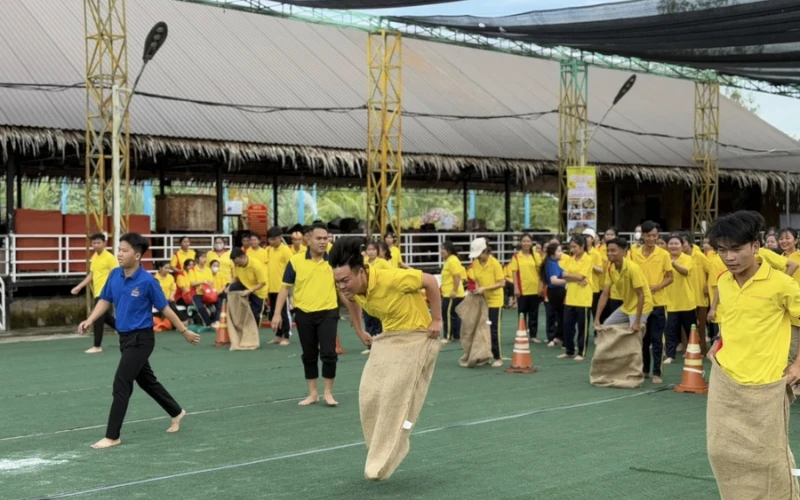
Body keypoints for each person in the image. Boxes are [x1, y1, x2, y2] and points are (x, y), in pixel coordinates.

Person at [705, 211, 800, 495]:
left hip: (767, 383)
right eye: (722, 250)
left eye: (736, 249)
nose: (729, 257)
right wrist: (718, 342)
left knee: (769, 458)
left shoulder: (782, 284)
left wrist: (797, 365)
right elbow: (731, 319)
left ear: (756, 247)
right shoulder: (724, 282)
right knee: (719, 451)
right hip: (726, 380)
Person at [78, 232, 200, 450]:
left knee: (121, 382)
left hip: (142, 339)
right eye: (119, 250)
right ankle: (176, 411)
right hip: (125, 338)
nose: (119, 254)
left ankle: (112, 435)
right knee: (146, 380)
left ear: (137, 255)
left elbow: (165, 309)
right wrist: (89, 319)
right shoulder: (115, 274)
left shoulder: (147, 282)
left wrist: (184, 331)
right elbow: (105, 300)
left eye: (124, 251)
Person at [271, 223, 339, 405]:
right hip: (304, 313)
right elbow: (285, 288)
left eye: (326, 238)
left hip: (328, 312)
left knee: (329, 353)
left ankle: (328, 393)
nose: (323, 242)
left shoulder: (333, 260)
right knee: (309, 354)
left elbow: (343, 287)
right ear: (308, 240)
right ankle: (313, 393)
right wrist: (277, 314)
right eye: (319, 238)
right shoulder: (295, 261)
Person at [331, 235, 442, 345]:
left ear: (360, 273)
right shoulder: (352, 289)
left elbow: (430, 280)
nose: (341, 286)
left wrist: (436, 319)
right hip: (391, 336)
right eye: (337, 281)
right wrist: (360, 332)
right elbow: (352, 301)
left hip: (419, 335)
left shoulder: (392, 278)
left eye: (345, 280)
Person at [630, 221, 673, 384]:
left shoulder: (663, 254)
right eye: (649, 235)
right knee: (642, 339)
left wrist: (657, 287)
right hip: (640, 303)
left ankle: (657, 372)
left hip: (658, 303)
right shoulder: (634, 253)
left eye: (654, 235)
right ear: (643, 235)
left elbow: (670, 277)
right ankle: (644, 369)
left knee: (657, 339)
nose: (652, 238)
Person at [72, 233, 117, 353]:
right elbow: (92, 274)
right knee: (105, 317)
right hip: (97, 291)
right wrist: (80, 286)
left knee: (97, 318)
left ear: (104, 243)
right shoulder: (95, 257)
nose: (96, 245)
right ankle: (126, 332)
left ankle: (97, 346)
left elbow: (117, 274)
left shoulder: (110, 258)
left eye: (98, 242)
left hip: (106, 292)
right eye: (94, 243)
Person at [595, 238, 652, 333]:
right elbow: (605, 294)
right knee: (607, 326)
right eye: (608, 250)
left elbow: (641, 295)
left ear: (624, 252)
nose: (609, 253)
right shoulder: (610, 268)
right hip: (627, 306)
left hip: (643, 305)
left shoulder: (633, 268)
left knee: (634, 331)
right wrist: (597, 318)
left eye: (613, 250)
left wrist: (637, 321)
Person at [466, 237, 506, 367]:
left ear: (485, 251)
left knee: (494, 329)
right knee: (483, 329)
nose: (477, 257)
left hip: (495, 301)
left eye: (479, 254)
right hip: (483, 301)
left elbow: (501, 283)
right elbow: (476, 279)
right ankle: (486, 355)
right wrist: (476, 289)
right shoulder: (476, 263)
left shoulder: (494, 263)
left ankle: (498, 357)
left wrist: (484, 288)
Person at [558, 235, 594, 361]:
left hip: (584, 298)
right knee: (567, 325)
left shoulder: (587, 259)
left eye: (574, 247)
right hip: (571, 296)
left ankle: (581, 352)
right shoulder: (570, 259)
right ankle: (569, 350)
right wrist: (576, 278)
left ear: (582, 246)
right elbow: (564, 275)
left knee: (582, 327)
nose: (572, 249)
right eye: (571, 247)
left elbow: (580, 276)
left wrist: (573, 277)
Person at [663, 234, 696, 363]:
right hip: (669, 300)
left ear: (682, 246)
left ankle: (693, 352)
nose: (673, 246)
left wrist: (673, 264)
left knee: (690, 330)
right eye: (671, 243)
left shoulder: (687, 258)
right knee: (670, 330)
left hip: (686, 300)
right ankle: (670, 355)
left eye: (676, 243)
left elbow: (685, 271)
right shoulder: (664, 258)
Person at [510, 233, 543, 342]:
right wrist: (516, 288)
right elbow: (514, 274)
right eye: (524, 241)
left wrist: (541, 286)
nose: (526, 243)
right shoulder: (516, 257)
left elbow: (540, 272)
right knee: (522, 313)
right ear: (520, 243)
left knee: (534, 313)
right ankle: (521, 333)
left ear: (532, 242)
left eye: (528, 241)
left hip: (534, 288)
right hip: (522, 289)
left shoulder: (536, 256)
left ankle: (533, 336)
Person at [266, 227, 294, 346]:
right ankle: (278, 335)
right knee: (273, 313)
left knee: (284, 313)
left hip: (282, 287)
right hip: (271, 287)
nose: (271, 242)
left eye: (274, 239)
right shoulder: (269, 250)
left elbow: (293, 267)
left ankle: (286, 336)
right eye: (270, 239)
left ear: (279, 238)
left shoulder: (286, 250)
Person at [230, 247, 269, 325]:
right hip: (245, 285)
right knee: (232, 288)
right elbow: (236, 277)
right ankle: (237, 310)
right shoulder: (236, 264)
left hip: (258, 290)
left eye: (238, 263)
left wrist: (250, 290)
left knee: (255, 314)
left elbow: (262, 282)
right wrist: (228, 287)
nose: (237, 265)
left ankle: (254, 333)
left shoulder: (256, 265)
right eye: (235, 263)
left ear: (243, 257)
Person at [541, 242, 565, 347]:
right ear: (552, 253)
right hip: (557, 292)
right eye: (559, 251)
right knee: (561, 316)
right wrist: (570, 281)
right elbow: (554, 280)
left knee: (558, 315)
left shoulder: (551, 262)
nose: (561, 253)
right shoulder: (552, 264)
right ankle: (556, 337)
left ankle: (557, 337)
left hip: (554, 292)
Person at [440, 241, 465, 343]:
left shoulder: (452, 261)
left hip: (452, 293)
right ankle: (457, 336)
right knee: (454, 314)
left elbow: (457, 276)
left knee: (447, 314)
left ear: (449, 251)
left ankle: (448, 336)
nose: (441, 251)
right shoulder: (449, 260)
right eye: (441, 249)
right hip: (450, 292)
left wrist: (454, 290)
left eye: (443, 249)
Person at [188, 251, 214, 326]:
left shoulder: (208, 269)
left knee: (218, 305)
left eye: (205, 257)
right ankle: (209, 324)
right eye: (202, 257)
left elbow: (211, 282)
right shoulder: (192, 270)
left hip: (208, 293)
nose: (204, 259)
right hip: (196, 294)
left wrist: (207, 283)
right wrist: (203, 282)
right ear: (196, 259)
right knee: (201, 308)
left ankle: (215, 321)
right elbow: (192, 283)